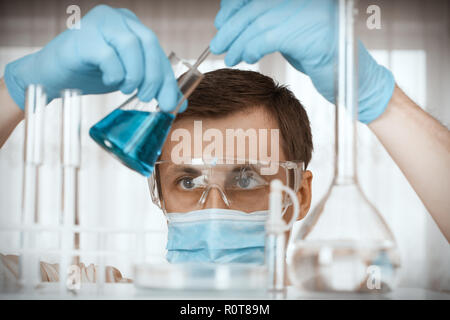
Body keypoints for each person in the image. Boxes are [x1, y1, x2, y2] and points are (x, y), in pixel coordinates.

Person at [0, 0, 449, 281]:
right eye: (189, 182)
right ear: (158, 192)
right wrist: (18, 90)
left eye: (247, 178)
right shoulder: (96, 289)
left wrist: (381, 101)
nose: (214, 209)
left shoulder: (347, 295)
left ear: (301, 194)